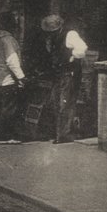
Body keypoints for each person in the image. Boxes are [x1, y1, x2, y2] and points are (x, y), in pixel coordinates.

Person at [41, 14, 87, 144]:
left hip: (69, 73)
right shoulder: (53, 38)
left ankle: (63, 135)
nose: (51, 34)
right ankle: (59, 132)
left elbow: (82, 48)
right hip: (59, 73)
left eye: (53, 31)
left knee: (65, 103)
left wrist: (72, 57)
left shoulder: (70, 34)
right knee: (55, 102)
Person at [0, 12, 26, 143]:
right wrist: (21, 77)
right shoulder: (8, 40)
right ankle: (6, 136)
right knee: (9, 110)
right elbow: (12, 61)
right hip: (8, 80)